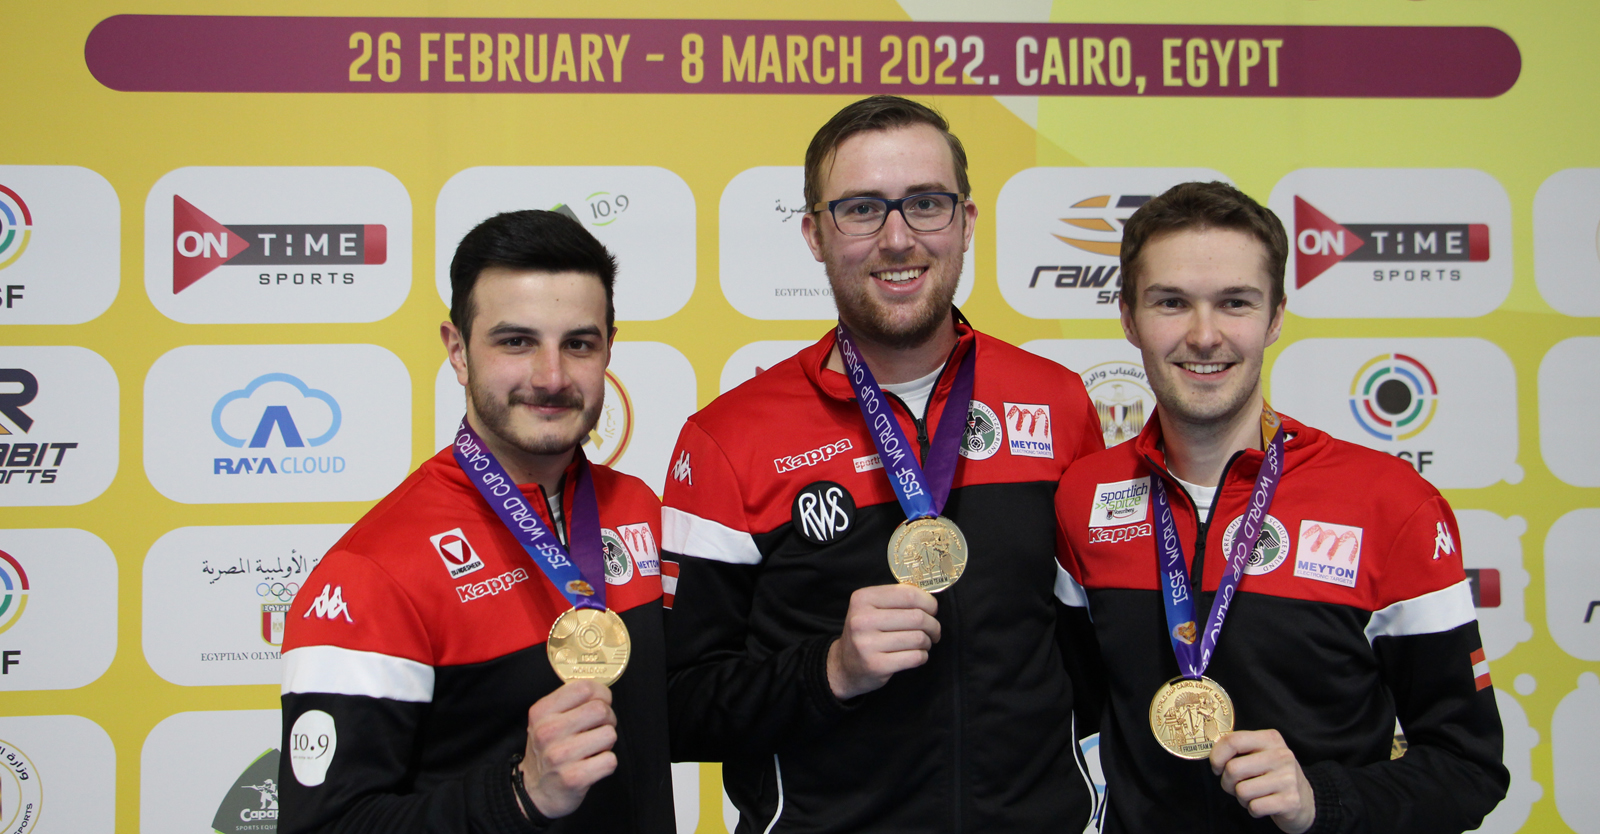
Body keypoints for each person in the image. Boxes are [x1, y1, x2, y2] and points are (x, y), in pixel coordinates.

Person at [661, 95, 1106, 833]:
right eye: (862, 209)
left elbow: (1093, 655)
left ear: (966, 221)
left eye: (926, 203)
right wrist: (828, 671)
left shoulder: (1057, 403)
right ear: (814, 233)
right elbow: (674, 706)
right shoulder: (729, 438)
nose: (898, 238)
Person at [1054, 181, 1507, 833]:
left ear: (1274, 316)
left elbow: (1469, 770)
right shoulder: (1083, 498)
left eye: (1234, 303)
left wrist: (1323, 800)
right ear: (1128, 315)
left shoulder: (1389, 503)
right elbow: (1078, 718)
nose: (1204, 335)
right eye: (1171, 303)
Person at [279, 210, 673, 833]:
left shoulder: (641, 512)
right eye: (516, 341)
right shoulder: (375, 571)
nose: (551, 377)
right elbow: (324, 827)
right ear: (458, 351)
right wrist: (518, 795)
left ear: (609, 348)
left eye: (579, 343)